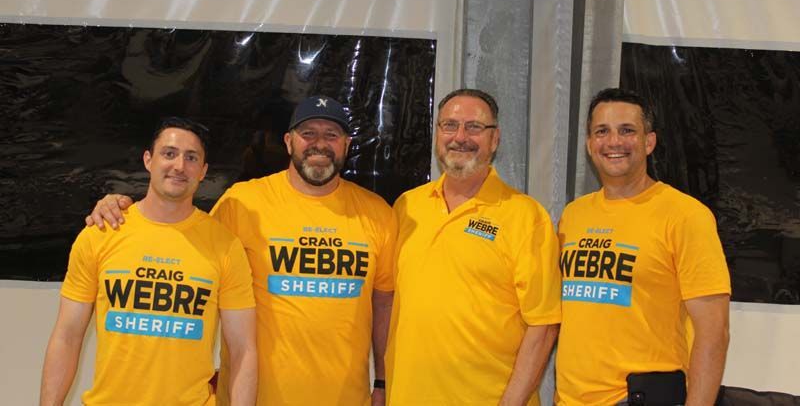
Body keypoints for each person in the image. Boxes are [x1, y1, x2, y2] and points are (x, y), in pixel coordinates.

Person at [85, 97, 396, 406]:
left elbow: (383, 305)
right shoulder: (242, 203)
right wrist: (120, 206)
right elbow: (179, 233)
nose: (319, 143)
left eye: (331, 135)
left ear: (347, 144)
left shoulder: (376, 214)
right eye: (308, 133)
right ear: (288, 142)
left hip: (345, 399)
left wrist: (381, 381)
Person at [40, 117, 257, 406]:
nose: (179, 165)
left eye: (191, 158)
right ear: (148, 160)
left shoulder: (225, 246)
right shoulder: (102, 232)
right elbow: (67, 336)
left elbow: (243, 349)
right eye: (169, 154)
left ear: (203, 171)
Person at [386, 88, 562, 406]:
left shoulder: (525, 216)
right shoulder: (407, 207)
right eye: (449, 125)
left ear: (495, 140)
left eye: (475, 127)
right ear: (437, 134)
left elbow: (544, 324)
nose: (460, 137)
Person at [555, 88, 731, 405]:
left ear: (649, 142)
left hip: (641, 397)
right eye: (602, 131)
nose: (614, 142)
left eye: (627, 131)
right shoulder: (574, 215)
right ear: (589, 144)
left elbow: (713, 332)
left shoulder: (686, 216)